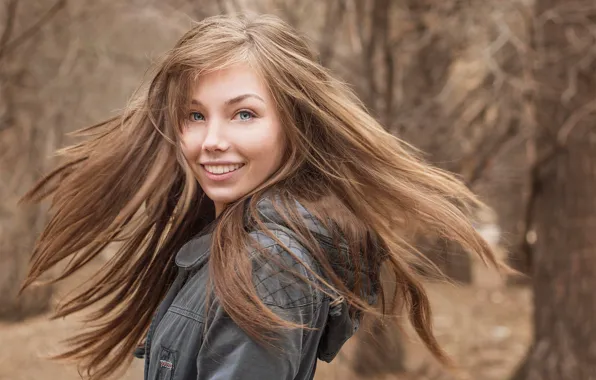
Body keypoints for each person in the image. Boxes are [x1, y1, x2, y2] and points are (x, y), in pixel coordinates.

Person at [21, 13, 503, 380]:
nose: (211, 140)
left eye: (243, 115)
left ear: (293, 127)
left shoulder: (268, 263)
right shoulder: (231, 242)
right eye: (194, 115)